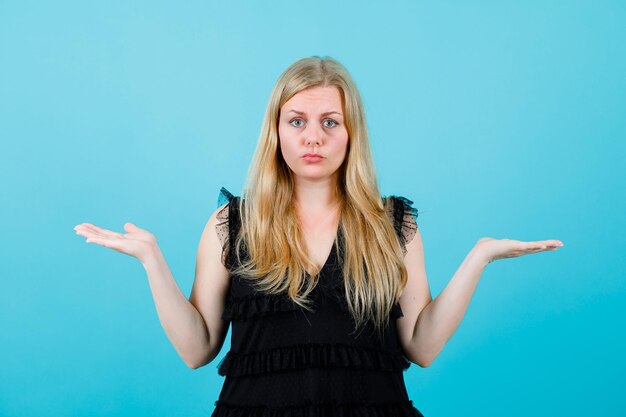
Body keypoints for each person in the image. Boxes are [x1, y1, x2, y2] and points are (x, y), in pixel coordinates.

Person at [73, 56, 563, 416]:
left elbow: (422, 346)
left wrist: (478, 258)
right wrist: (152, 261)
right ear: (277, 132)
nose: (313, 137)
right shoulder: (231, 223)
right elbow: (197, 348)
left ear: (351, 135)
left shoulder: (395, 224)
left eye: (330, 122)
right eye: (298, 121)